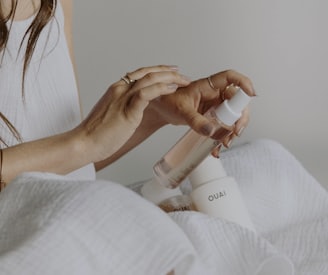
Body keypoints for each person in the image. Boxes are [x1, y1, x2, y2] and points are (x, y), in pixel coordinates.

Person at [0, 0, 255, 189]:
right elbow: (79, 146)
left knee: (270, 161)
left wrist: (153, 112)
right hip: (28, 241)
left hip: (73, 214)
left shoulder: (55, 4)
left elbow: (72, 163)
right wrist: (85, 140)